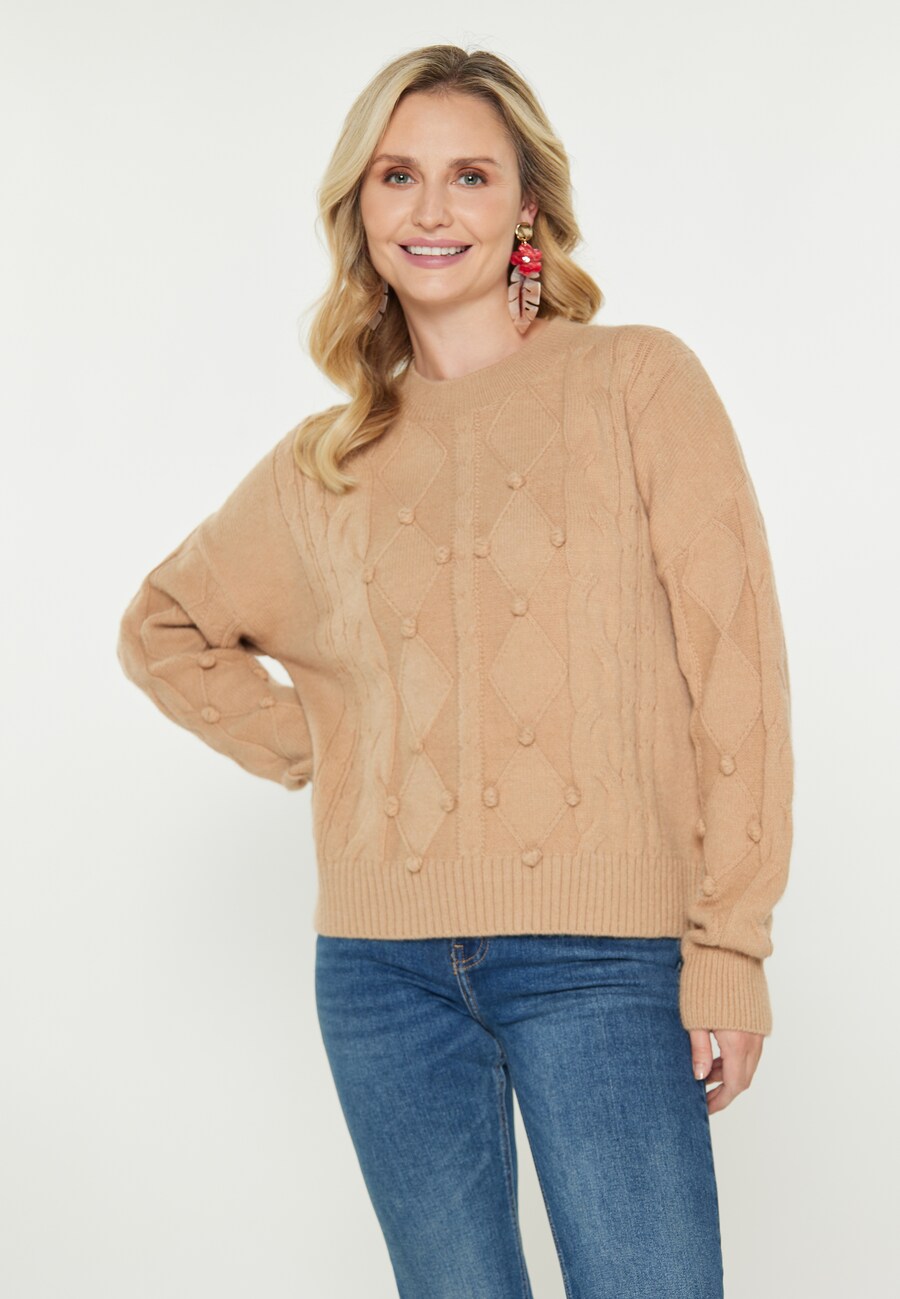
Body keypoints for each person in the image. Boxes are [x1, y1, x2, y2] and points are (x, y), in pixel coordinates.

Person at [116, 43, 794, 1299]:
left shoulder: (638, 382)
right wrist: (334, 746)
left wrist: (732, 945)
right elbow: (161, 627)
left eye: (471, 176)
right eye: (397, 176)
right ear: (359, 207)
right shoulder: (325, 461)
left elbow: (737, 670)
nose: (432, 210)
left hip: (605, 957)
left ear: (527, 205)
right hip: (380, 972)